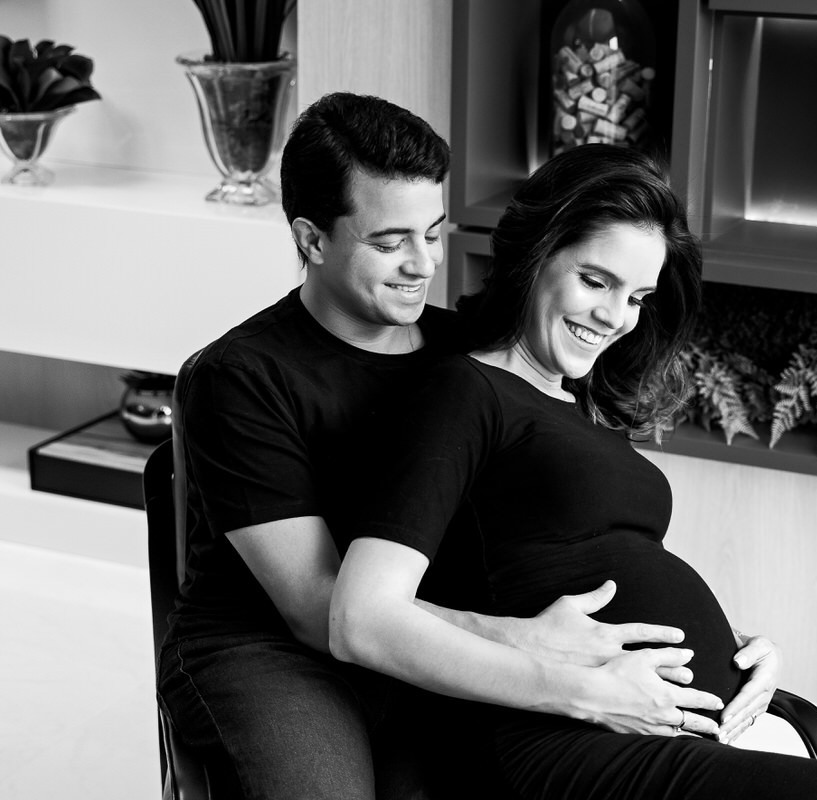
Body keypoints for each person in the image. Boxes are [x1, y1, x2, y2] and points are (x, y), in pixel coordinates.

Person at [158, 94, 776, 800]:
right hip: (271, 647)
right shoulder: (239, 377)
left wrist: (715, 643)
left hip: (423, 641)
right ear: (312, 239)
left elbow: (550, 534)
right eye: (390, 243)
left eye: (433, 233)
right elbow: (317, 608)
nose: (422, 264)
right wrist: (515, 638)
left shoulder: (466, 351)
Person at [330, 144, 817, 799]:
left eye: (637, 297)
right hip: (556, 743)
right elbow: (361, 620)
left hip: (650, 739)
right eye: (596, 281)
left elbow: (564, 566)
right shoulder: (465, 392)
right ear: (534, 257)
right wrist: (585, 692)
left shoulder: (579, 407)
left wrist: (737, 648)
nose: (615, 316)